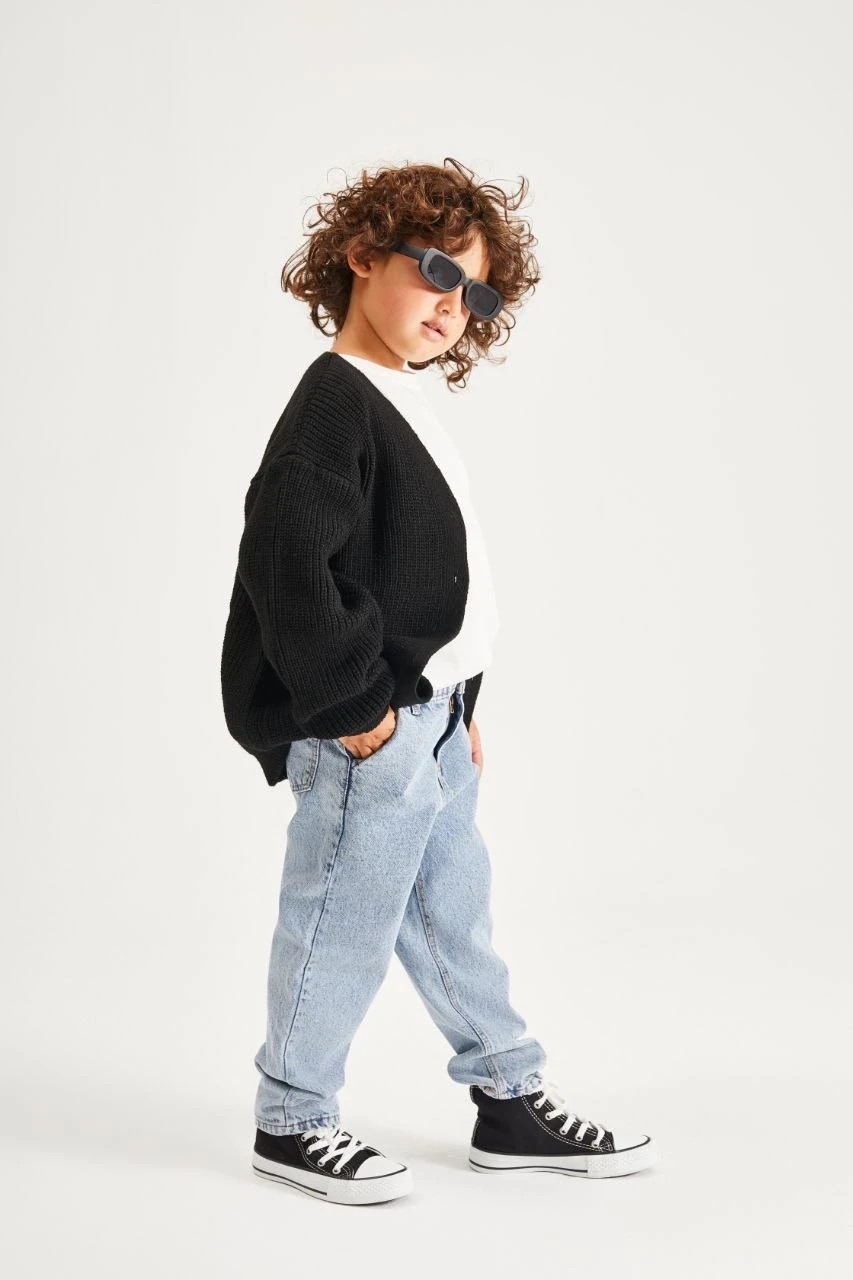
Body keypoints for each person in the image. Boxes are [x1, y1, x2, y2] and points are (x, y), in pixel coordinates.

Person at [220, 157, 656, 1205]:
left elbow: (420, 577)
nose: (454, 306)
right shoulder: (332, 405)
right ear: (361, 256)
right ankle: (291, 1116)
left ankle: (507, 1096)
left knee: (452, 913)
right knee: (340, 919)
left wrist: (460, 704)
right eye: (437, 272)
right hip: (368, 723)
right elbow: (290, 565)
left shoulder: (392, 399)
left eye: (478, 295)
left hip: (431, 720)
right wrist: (356, 712)